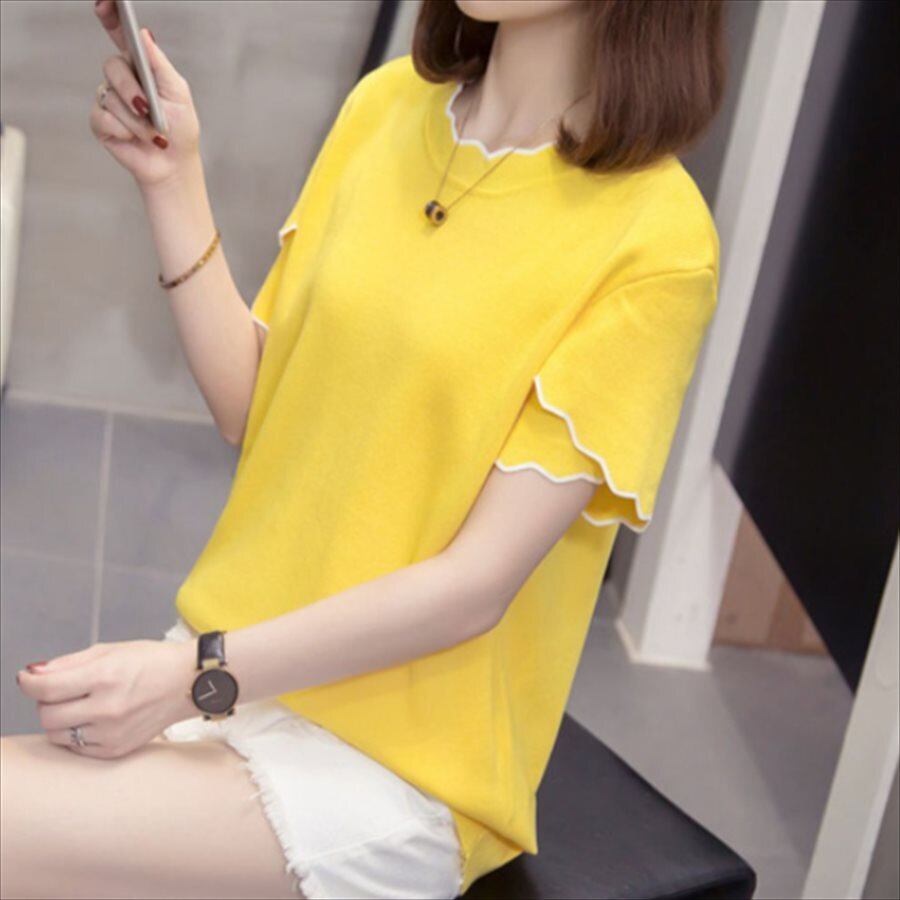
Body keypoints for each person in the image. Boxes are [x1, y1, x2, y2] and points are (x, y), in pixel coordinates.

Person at [0, 0, 725, 897]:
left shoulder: (658, 242)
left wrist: (192, 679)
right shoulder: (387, 105)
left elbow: (475, 587)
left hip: (391, 764)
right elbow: (253, 406)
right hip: (238, 667)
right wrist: (173, 177)